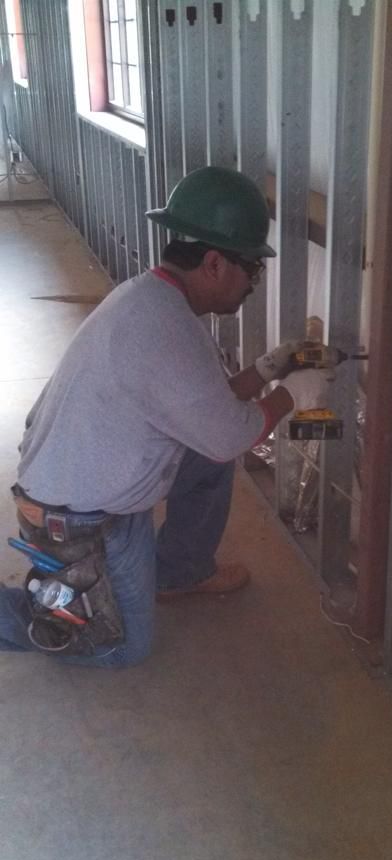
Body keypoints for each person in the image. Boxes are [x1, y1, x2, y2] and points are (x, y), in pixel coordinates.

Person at [0, 165, 331, 667]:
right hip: (79, 520)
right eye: (253, 270)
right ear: (217, 264)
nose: (253, 285)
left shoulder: (153, 299)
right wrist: (294, 394)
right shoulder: (165, 330)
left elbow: (206, 411)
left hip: (86, 484)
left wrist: (267, 369)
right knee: (117, 650)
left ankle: (182, 571)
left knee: (208, 456)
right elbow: (227, 435)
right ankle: (38, 615)